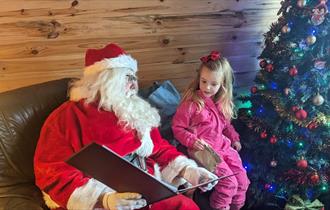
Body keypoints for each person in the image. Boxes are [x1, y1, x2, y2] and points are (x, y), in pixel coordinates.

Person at [34, 43, 218, 210]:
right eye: (126, 77)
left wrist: (190, 171)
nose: (134, 84)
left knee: (185, 206)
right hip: (99, 198)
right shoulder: (67, 117)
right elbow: (52, 170)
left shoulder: (135, 109)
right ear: (104, 80)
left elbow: (158, 148)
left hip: (145, 191)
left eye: (134, 77)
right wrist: (103, 199)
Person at [172, 51, 250, 210]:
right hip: (204, 150)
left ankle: (236, 207)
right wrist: (191, 141)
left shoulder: (221, 102)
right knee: (229, 184)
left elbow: (226, 125)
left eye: (213, 84)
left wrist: (234, 138)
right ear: (199, 79)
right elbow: (177, 128)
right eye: (204, 81)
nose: (207, 87)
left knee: (242, 182)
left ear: (222, 83)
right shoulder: (192, 104)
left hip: (223, 146)